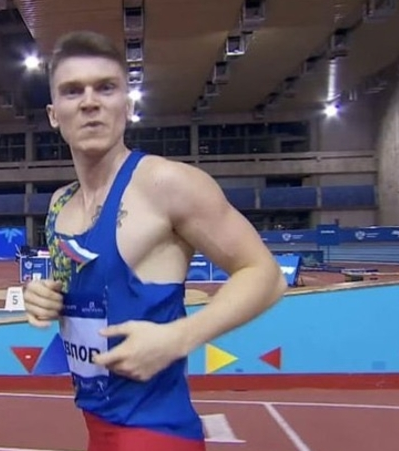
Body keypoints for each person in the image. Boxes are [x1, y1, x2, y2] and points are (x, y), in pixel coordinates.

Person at [22, 30, 287, 451]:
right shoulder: (60, 204)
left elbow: (266, 275)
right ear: (54, 114)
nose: (90, 102)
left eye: (105, 88)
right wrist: (43, 297)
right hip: (96, 426)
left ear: (127, 106)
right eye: (73, 91)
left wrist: (178, 338)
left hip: (156, 433)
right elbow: (81, 292)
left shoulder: (167, 184)